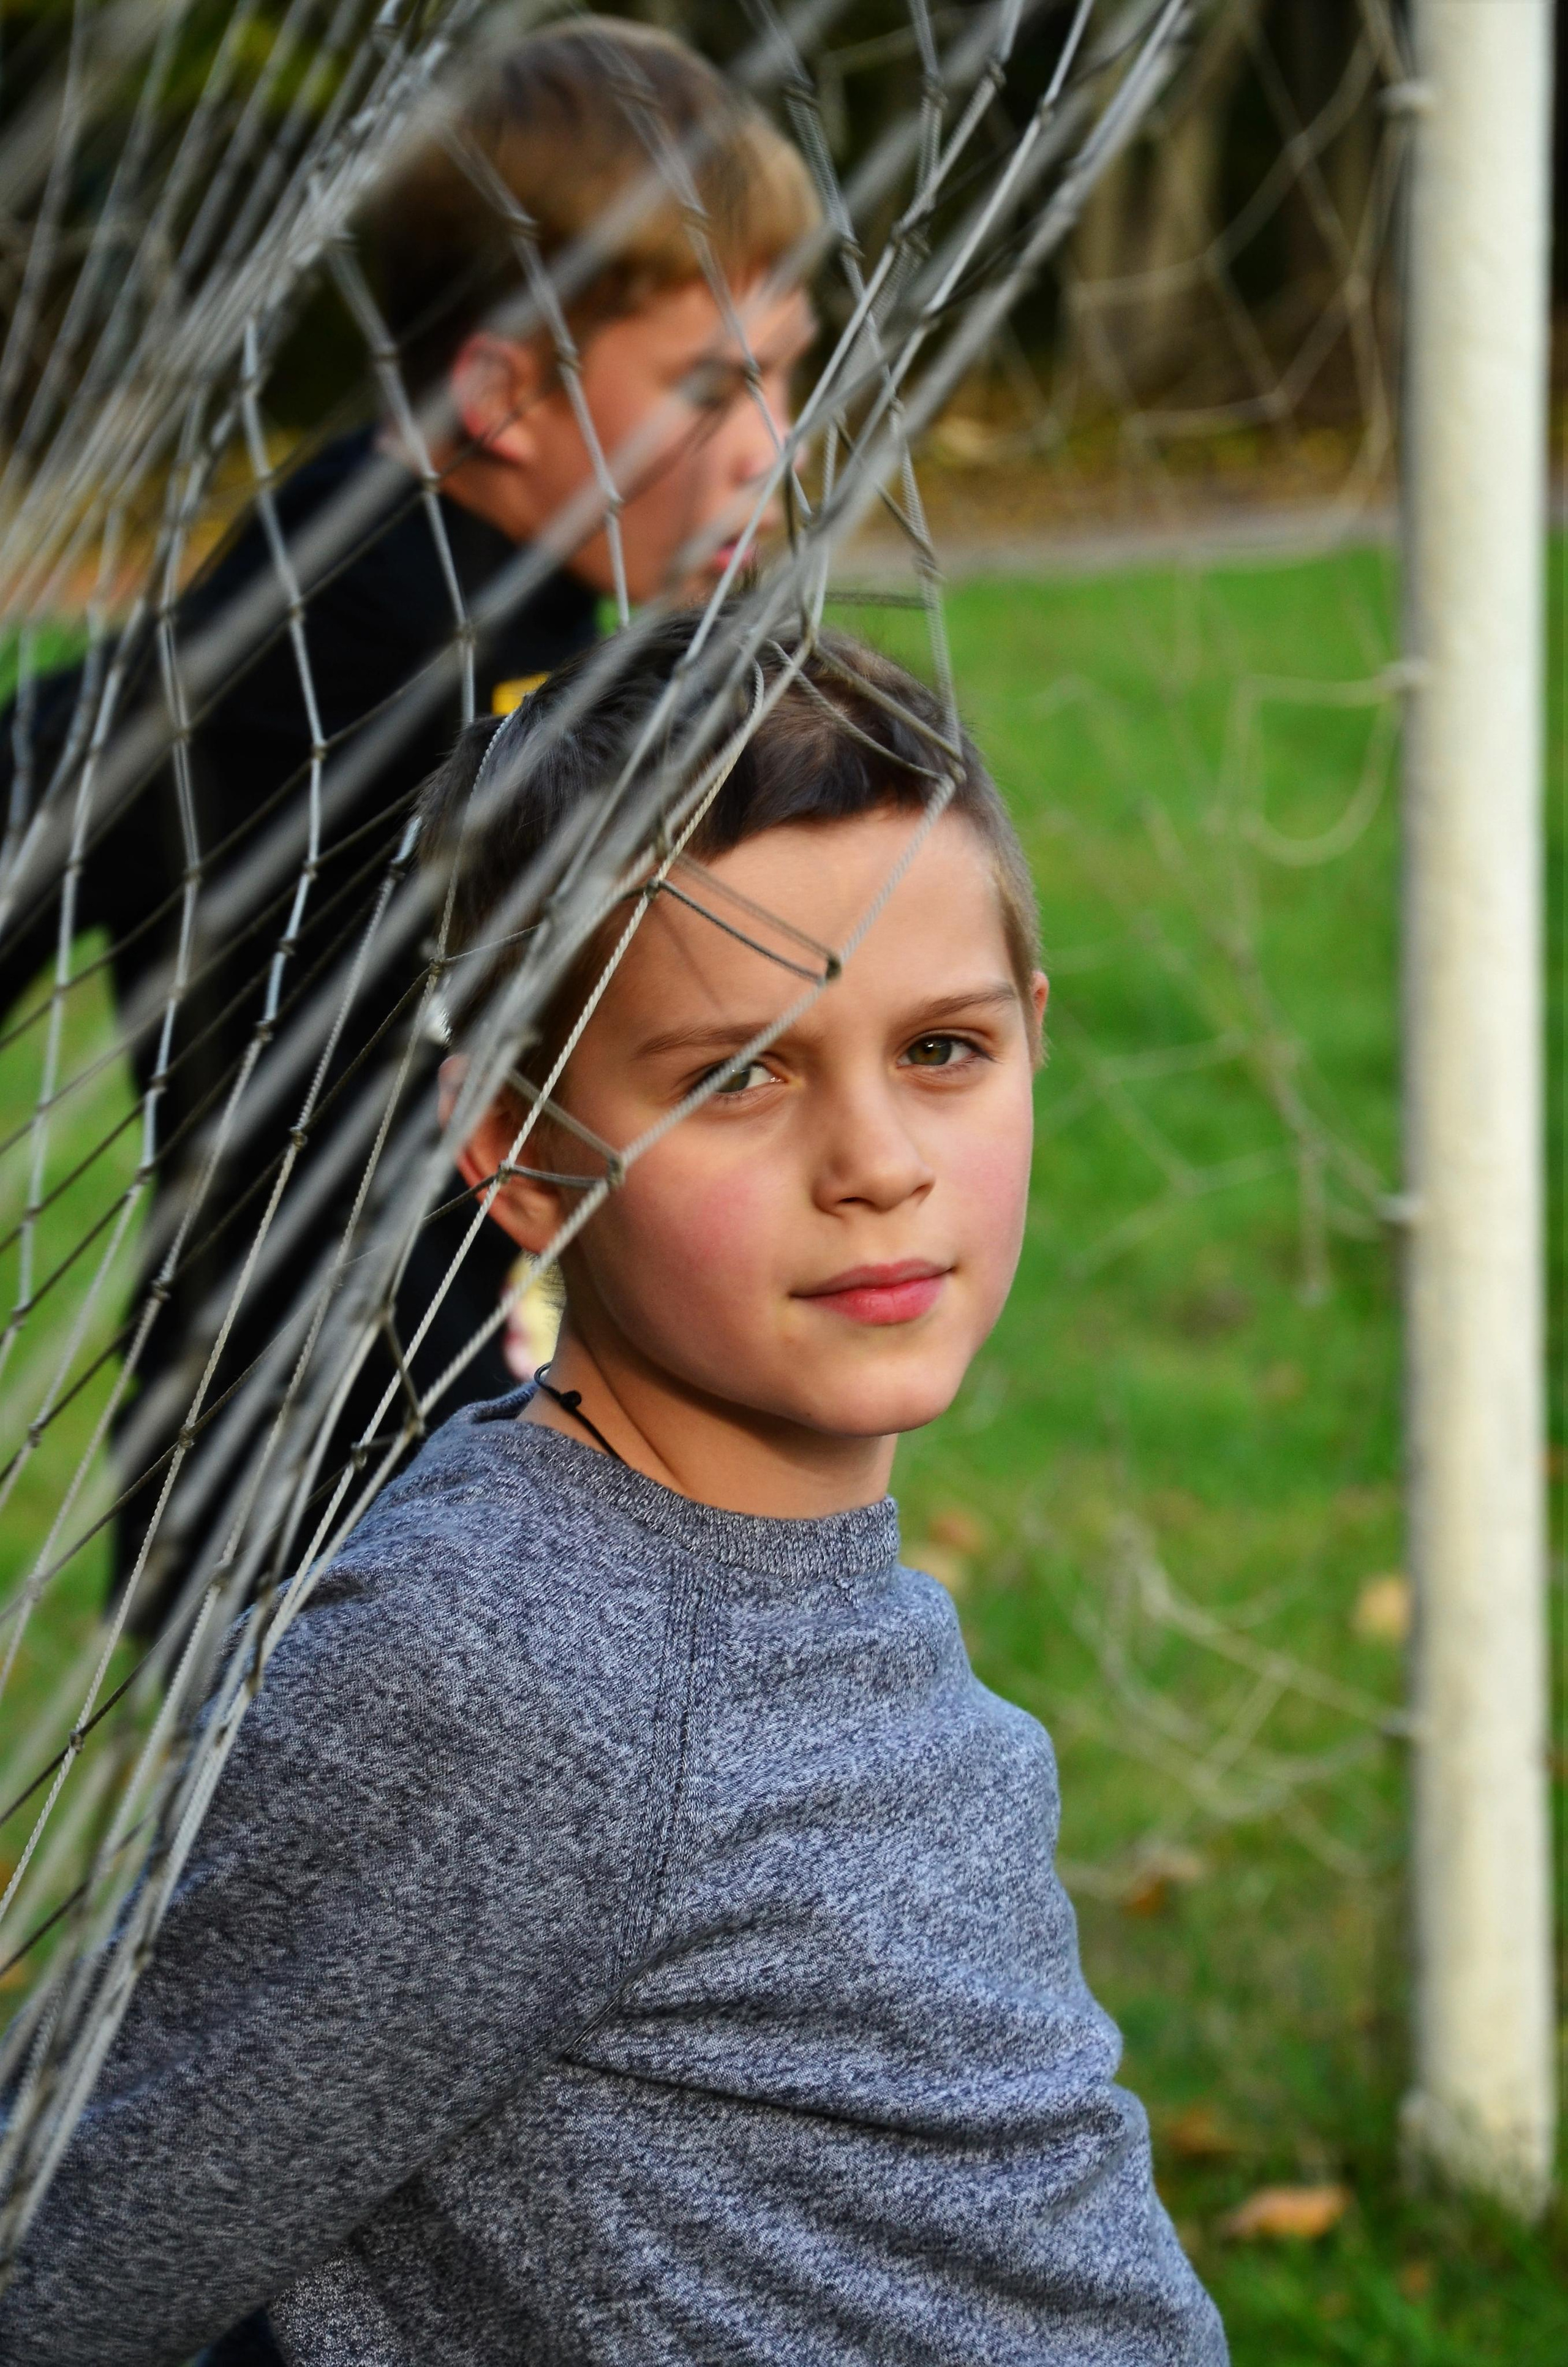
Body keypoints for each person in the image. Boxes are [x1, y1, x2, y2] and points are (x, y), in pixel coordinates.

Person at [0, 616, 1228, 2366]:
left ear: (1033, 1034)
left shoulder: (790, 1575)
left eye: (942, 1051)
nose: (878, 1165)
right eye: (740, 1077)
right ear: (512, 1148)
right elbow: (73, 2267)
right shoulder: (508, 1672)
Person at [0, 17, 816, 1637]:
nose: (768, 449)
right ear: (503, 390)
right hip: (342, 1530)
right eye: (714, 386)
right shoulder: (381, 644)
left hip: (418, 1465)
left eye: (788, 371)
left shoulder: (401, 555)